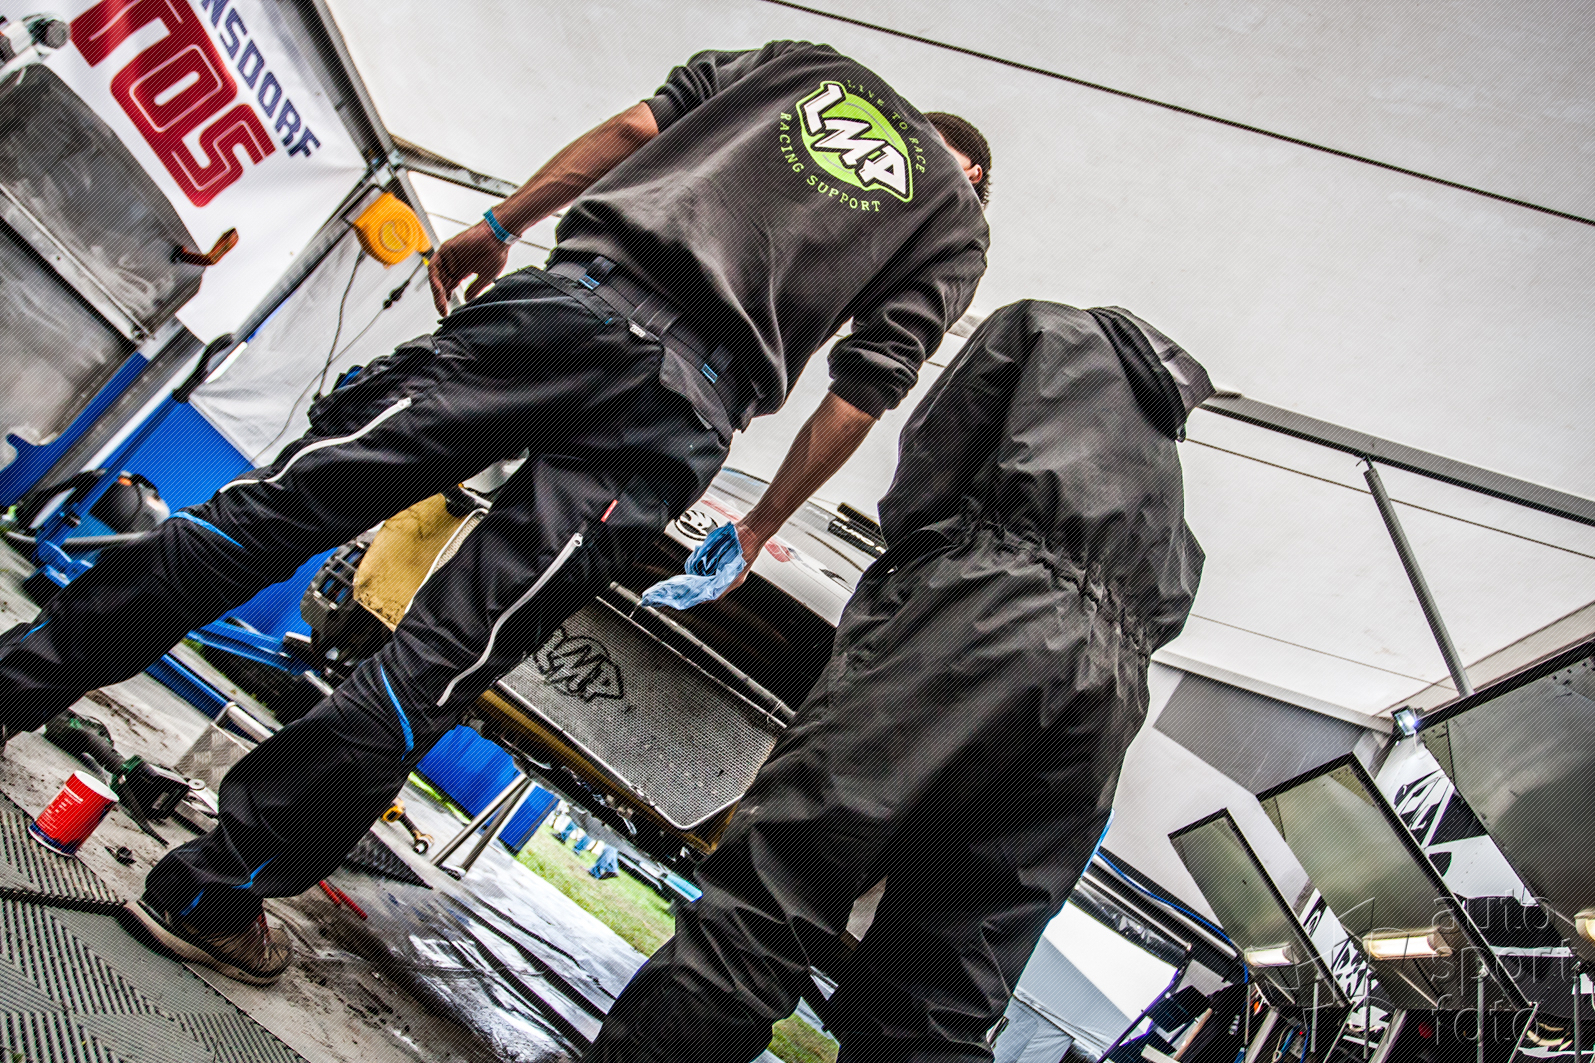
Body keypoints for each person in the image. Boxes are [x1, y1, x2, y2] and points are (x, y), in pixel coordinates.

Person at [0, 40, 990, 985]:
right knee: (442, 655)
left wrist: (498, 225)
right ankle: (210, 896)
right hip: (676, 408)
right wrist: (761, 523)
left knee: (271, 514)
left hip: (566, 304)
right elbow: (861, 393)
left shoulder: (800, 68)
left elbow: (629, 131)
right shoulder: (954, 221)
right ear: (965, 169)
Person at [585, 300, 1215, 1063]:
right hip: (1110, 699)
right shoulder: (1169, 498)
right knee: (944, 986)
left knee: (779, 887)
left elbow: (930, 465)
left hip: (985, 613)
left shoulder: (1044, 331)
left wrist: (929, 582)